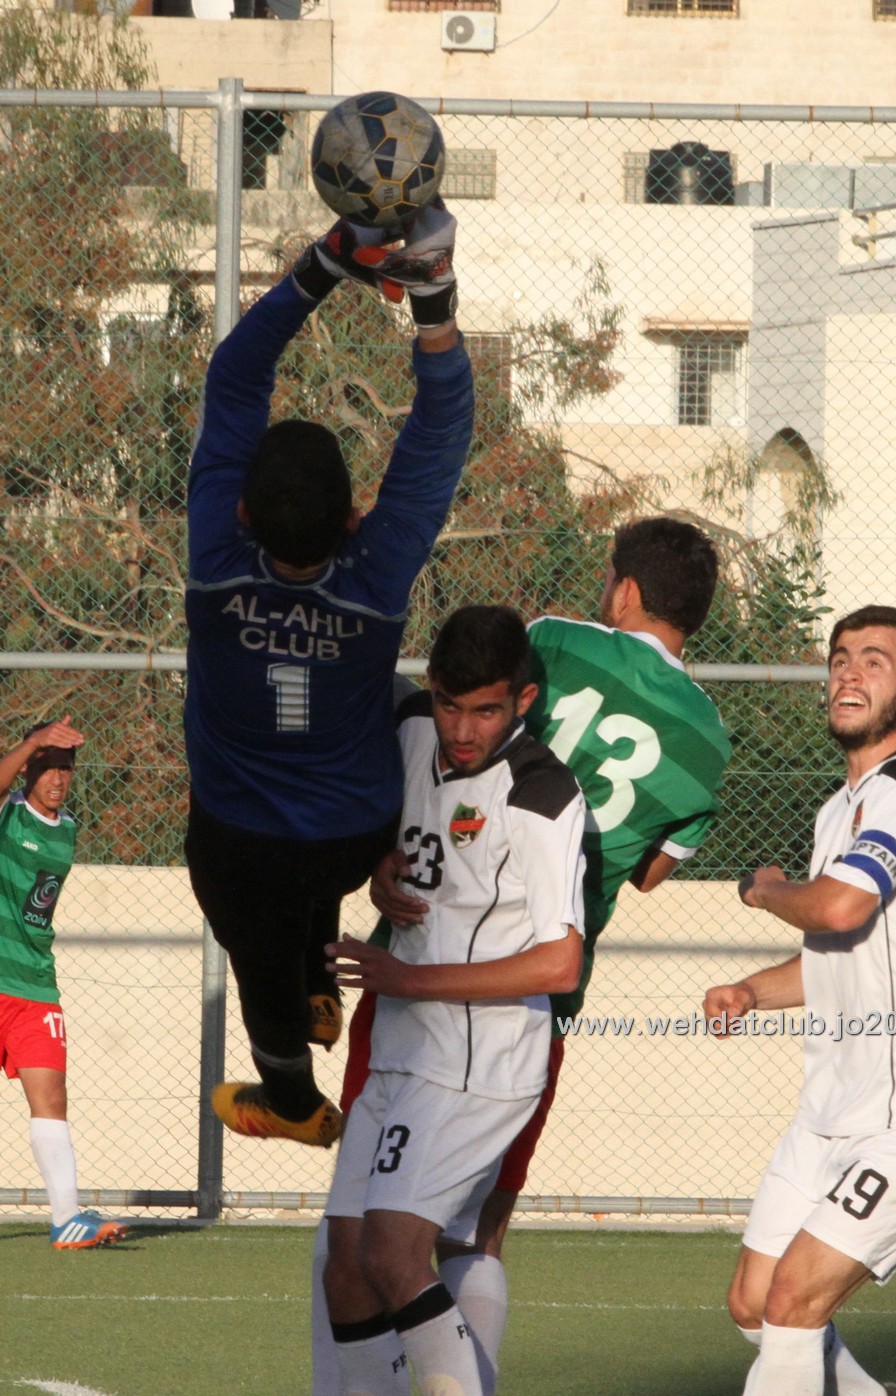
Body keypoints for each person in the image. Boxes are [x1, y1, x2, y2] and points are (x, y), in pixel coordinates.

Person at [311, 515, 731, 1393]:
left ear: (624, 589)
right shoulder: (709, 740)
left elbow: (459, 752)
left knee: (375, 1242)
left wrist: (394, 851)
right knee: (469, 1231)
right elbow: (648, 874)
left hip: (449, 969)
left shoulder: (554, 643)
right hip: (535, 1005)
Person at [183, 202, 473, 1146]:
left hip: (243, 841)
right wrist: (432, 302)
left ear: (241, 513)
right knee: (396, 704)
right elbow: (440, 433)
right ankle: (316, 978)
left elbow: (235, 376)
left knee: (245, 924)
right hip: (356, 837)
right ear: (354, 518)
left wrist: (324, 263)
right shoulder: (376, 572)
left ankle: (293, 1099)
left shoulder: (215, 562)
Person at [704, 605, 896, 1396]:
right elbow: (841, 953)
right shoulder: (838, 808)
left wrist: (766, 890)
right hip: (834, 1107)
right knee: (753, 1303)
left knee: (795, 1299)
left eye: (874, 661)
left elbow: (837, 907)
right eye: (840, 657)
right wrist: (752, 991)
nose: (847, 672)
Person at [321, 604, 587, 1396]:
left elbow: (560, 963)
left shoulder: (541, 794)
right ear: (430, 688)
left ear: (523, 700)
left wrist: (407, 979)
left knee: (393, 1252)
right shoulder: (410, 728)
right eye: (449, 704)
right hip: (403, 1048)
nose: (463, 730)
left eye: (486, 711)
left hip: (480, 1063)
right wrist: (380, 865)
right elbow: (398, 832)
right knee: (346, 1266)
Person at [0, 717, 129, 1250]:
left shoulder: (68, 828)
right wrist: (32, 741)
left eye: (66, 768)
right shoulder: (7, 813)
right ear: (27, 769)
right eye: (47, 766)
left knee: (51, 1098)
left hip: (34, 987)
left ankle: (66, 1219)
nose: (58, 778)